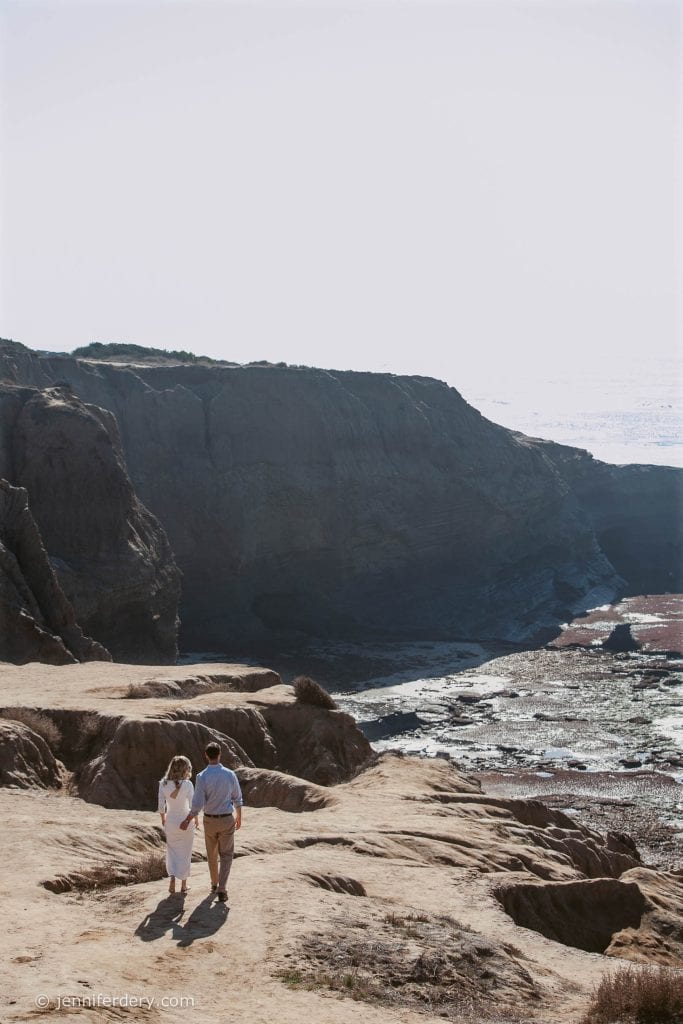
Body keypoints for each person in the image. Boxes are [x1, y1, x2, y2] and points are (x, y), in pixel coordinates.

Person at [179, 742, 243, 903]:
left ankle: (214, 884)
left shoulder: (202, 776)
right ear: (220, 754)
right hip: (227, 818)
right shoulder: (229, 774)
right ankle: (222, 889)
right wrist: (239, 816)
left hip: (209, 820)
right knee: (227, 855)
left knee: (212, 854)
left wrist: (188, 819)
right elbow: (237, 798)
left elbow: (198, 802)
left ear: (206, 755)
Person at [158, 755, 196, 896]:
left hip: (171, 821)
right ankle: (184, 885)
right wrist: (195, 819)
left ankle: (172, 879)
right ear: (186, 769)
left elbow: (161, 806)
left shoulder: (163, 784)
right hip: (186, 821)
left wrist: (163, 819)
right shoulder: (188, 785)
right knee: (185, 853)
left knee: (172, 851)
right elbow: (193, 806)